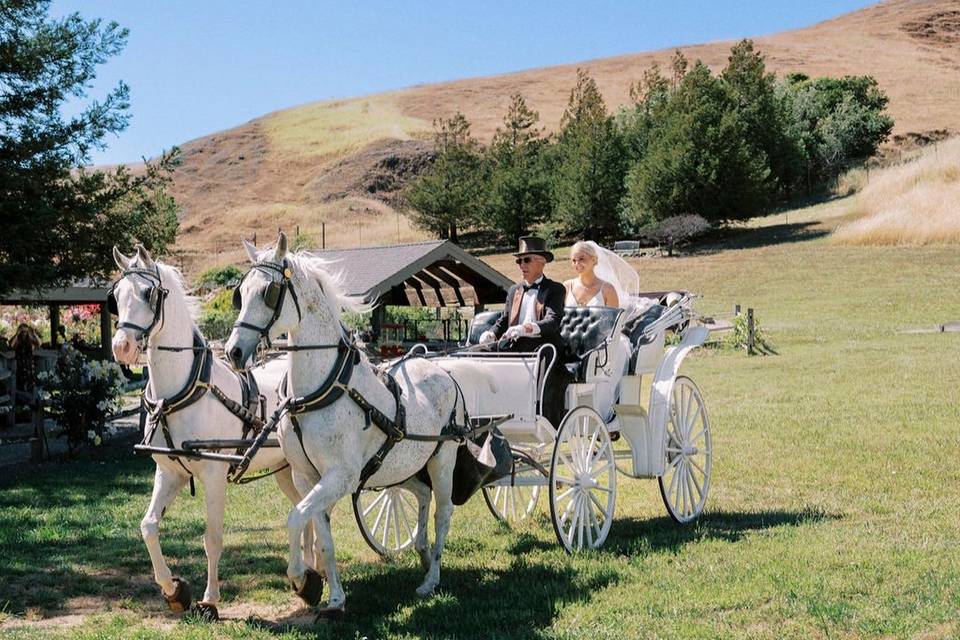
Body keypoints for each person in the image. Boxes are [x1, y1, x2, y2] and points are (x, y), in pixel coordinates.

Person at [479, 236, 568, 426]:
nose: (521, 265)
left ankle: (539, 415)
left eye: (526, 260)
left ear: (542, 262)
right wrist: (491, 333)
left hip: (543, 344)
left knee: (542, 354)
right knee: (479, 352)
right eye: (519, 261)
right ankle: (482, 410)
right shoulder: (514, 290)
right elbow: (504, 320)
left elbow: (552, 321)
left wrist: (525, 328)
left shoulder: (555, 289)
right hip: (516, 345)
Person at [564, 241, 621, 308]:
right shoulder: (567, 287)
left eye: (581, 259)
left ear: (594, 260)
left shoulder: (608, 290)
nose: (577, 264)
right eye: (574, 260)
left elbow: (613, 317)